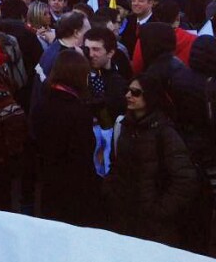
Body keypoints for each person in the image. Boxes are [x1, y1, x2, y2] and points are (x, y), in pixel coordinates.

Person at [105, 75, 199, 247]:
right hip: (124, 219)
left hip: (153, 228)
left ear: (150, 96)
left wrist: (159, 211)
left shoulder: (165, 133)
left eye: (135, 92)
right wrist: (112, 193)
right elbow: (116, 165)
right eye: (128, 90)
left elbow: (185, 179)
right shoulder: (123, 125)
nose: (128, 95)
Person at [31, 51, 102, 227]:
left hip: (49, 180)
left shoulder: (43, 101)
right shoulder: (77, 110)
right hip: (73, 187)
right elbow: (83, 152)